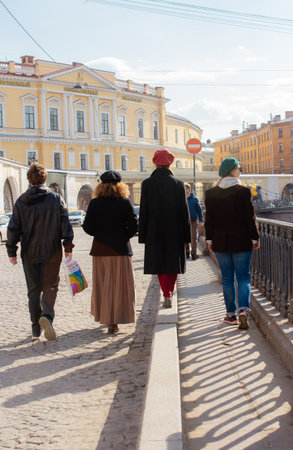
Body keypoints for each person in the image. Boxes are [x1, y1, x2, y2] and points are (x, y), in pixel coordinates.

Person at [6, 163, 74, 341]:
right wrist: (68, 246)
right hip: (52, 251)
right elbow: (65, 224)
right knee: (51, 285)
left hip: (29, 252)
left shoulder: (21, 201)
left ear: (29, 180)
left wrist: (11, 251)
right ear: (45, 178)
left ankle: (36, 329)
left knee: (33, 290)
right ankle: (47, 316)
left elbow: (13, 228)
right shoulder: (56, 198)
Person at [205, 157, 260, 330]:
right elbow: (250, 218)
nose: (240, 171)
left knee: (227, 278)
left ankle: (231, 314)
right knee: (243, 277)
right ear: (234, 171)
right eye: (239, 168)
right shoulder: (243, 192)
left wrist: (209, 240)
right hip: (242, 241)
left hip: (220, 242)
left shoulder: (211, 193)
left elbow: (209, 221)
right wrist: (255, 238)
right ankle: (243, 310)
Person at [82, 170, 138, 334]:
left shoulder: (95, 203)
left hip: (100, 249)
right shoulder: (125, 202)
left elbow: (87, 227)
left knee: (104, 284)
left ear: (100, 186)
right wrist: (123, 237)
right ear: (120, 185)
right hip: (120, 249)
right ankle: (116, 320)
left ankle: (107, 319)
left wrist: (100, 235)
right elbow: (135, 226)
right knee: (119, 285)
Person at [139, 148, 191, 308]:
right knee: (173, 262)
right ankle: (171, 289)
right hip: (174, 231)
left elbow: (144, 211)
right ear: (170, 164)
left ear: (155, 163)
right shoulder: (178, 184)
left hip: (154, 231)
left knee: (159, 264)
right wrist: (187, 236)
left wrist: (143, 235)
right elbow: (184, 212)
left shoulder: (147, 184)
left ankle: (166, 293)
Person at [184, 183, 204, 260]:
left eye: (185, 188)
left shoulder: (194, 199)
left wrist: (201, 220)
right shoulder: (181, 199)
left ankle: (194, 253)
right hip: (184, 221)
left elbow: (199, 211)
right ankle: (186, 252)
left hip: (193, 221)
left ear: (188, 189)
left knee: (193, 237)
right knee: (185, 237)